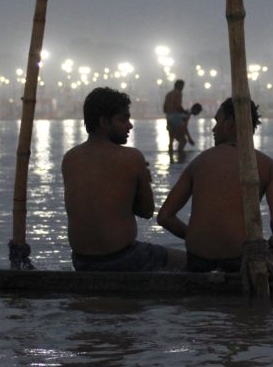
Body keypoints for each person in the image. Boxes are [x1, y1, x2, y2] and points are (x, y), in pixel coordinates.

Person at [158, 97, 273, 273]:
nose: (214, 128)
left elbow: (165, 216)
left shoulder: (199, 163)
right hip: (241, 260)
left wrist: (197, 236)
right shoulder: (270, 167)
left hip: (198, 259)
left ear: (231, 123)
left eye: (217, 121)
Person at [61, 87, 185, 272]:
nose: (130, 125)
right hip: (124, 258)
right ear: (104, 122)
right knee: (191, 262)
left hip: (81, 261)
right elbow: (146, 211)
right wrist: (143, 180)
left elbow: (99, 204)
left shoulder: (70, 158)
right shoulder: (132, 157)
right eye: (123, 119)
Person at [162, 79, 187, 153]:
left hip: (168, 116)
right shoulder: (178, 93)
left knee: (171, 138)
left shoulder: (168, 94)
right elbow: (178, 106)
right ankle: (181, 157)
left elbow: (164, 108)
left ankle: (171, 155)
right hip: (175, 116)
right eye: (182, 86)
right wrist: (184, 112)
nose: (183, 87)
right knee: (183, 140)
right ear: (179, 85)